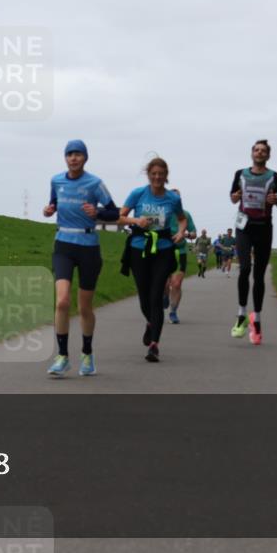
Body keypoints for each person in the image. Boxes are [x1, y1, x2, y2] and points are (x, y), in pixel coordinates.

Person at [42, 140, 119, 377]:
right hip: (63, 243)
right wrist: (50, 209)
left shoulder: (95, 183)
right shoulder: (57, 180)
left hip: (88, 247)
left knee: (84, 306)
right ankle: (62, 356)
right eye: (69, 154)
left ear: (85, 158)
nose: (73, 158)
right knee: (62, 301)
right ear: (65, 158)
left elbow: (114, 212)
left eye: (78, 154)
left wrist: (98, 213)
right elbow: (54, 202)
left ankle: (87, 353)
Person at [118, 157, 187, 362]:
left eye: (161, 174)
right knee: (144, 297)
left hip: (164, 249)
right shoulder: (138, 194)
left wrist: (181, 232)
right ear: (148, 175)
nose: (157, 177)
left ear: (166, 176)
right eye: (153, 174)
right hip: (139, 248)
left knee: (156, 295)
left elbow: (181, 219)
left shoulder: (172, 199)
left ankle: (154, 344)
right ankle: (150, 322)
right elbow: (120, 216)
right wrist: (135, 220)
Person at [229, 139, 277, 345]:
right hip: (243, 228)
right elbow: (232, 197)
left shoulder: (275, 177)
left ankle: (256, 319)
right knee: (245, 268)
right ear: (251, 153)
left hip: (264, 229)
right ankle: (240, 315)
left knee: (259, 275)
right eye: (256, 150)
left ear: (268, 155)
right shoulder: (240, 174)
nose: (259, 153)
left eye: (263, 150)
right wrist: (235, 196)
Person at [165, 190, 197, 324]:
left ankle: (173, 311)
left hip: (181, 251)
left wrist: (186, 235)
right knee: (164, 284)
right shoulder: (163, 213)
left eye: (177, 198)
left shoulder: (186, 214)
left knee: (176, 284)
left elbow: (194, 233)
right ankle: (165, 296)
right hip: (164, 250)